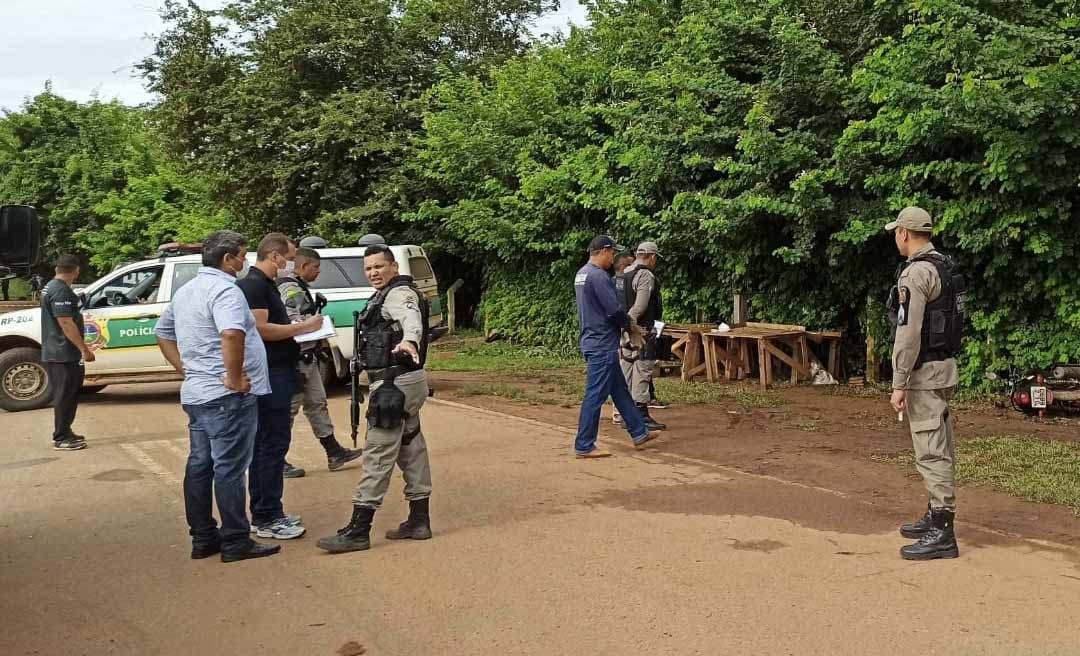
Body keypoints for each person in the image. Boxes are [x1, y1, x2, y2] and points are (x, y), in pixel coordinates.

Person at [155, 230, 281, 563]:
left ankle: (203, 537)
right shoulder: (226, 290)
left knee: (200, 465)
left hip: (198, 392)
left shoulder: (187, 291)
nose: (245, 261)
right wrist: (237, 379)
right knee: (229, 469)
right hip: (226, 396)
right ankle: (236, 539)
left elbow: (162, 332)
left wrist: (185, 369)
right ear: (228, 259)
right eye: (242, 254)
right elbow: (231, 332)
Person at [318, 244, 433, 554]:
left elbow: (411, 319)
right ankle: (419, 520)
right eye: (368, 268)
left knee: (379, 450)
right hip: (400, 381)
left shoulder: (399, 294)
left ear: (394, 267)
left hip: (395, 384)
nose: (373, 273)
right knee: (410, 446)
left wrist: (410, 339)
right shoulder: (386, 294)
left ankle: (359, 528)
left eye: (379, 267)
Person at [886, 207, 964, 561]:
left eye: (896, 232)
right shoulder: (943, 267)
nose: (895, 238)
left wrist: (899, 381)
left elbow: (908, 333)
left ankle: (942, 532)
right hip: (944, 368)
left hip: (925, 375)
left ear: (905, 233)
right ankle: (935, 514)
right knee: (939, 443)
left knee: (931, 450)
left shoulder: (915, 274)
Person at [237, 234, 323, 540]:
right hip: (270, 374)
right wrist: (304, 328)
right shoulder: (255, 285)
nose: (291, 263)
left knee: (270, 443)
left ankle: (268, 509)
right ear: (275, 257)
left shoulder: (266, 284)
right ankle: (266, 515)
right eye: (289, 256)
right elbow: (259, 329)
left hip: (279, 370)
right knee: (270, 444)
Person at [572, 235, 658, 458]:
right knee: (595, 395)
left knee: (619, 390)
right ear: (604, 250)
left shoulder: (582, 273)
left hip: (593, 339)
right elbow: (613, 310)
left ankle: (639, 432)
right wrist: (630, 327)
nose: (614, 258)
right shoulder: (598, 276)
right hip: (602, 344)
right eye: (612, 253)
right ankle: (584, 445)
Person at [278, 247, 361, 476]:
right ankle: (276, 460)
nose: (318, 272)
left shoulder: (298, 286)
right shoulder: (289, 288)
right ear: (304, 266)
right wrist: (316, 323)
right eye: (316, 268)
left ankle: (334, 452)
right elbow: (292, 321)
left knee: (317, 403)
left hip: (308, 357)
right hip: (294, 359)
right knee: (288, 410)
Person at [40, 255, 94, 451]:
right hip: (62, 352)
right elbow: (65, 323)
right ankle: (61, 437)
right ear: (76, 270)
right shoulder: (60, 290)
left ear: (57, 268)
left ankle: (66, 430)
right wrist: (84, 349)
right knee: (65, 395)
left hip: (61, 351)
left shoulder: (52, 287)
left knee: (69, 394)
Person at [615, 242, 666, 432]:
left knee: (626, 369)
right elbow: (641, 305)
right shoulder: (644, 275)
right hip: (640, 329)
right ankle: (641, 416)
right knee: (643, 370)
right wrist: (632, 324)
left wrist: (622, 326)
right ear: (652, 257)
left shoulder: (624, 273)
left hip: (623, 329)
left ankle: (623, 414)